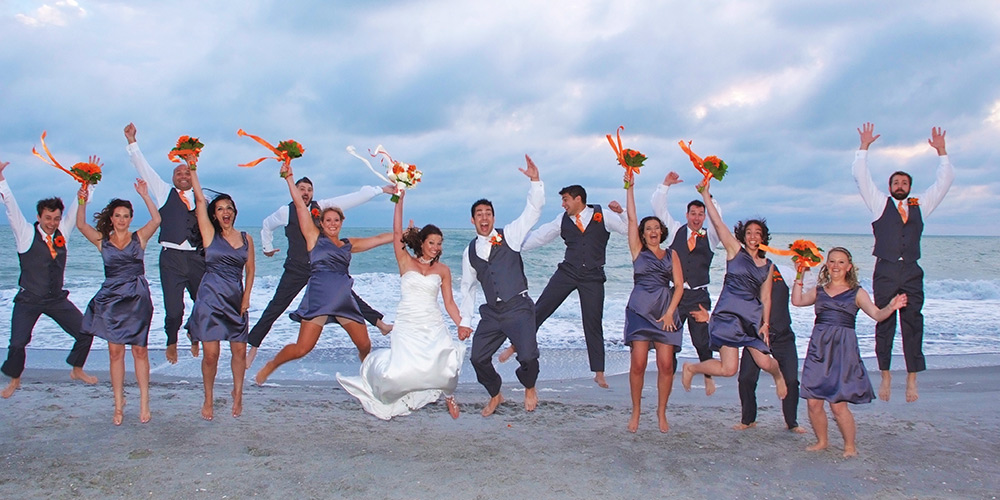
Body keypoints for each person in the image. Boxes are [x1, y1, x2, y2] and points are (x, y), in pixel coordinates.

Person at [254, 164, 392, 385]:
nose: (332, 223)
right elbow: (298, 207)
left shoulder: (349, 243)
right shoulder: (313, 238)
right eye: (328, 220)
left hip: (343, 301)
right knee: (301, 348)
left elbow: (378, 237)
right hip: (317, 297)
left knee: (365, 345)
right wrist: (289, 179)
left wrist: (404, 232)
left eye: (336, 220)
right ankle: (271, 364)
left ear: (341, 222)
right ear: (321, 223)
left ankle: (367, 377)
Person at [337, 190, 466, 420]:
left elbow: (449, 303)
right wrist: (400, 199)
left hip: (432, 321)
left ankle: (449, 396)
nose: (436, 247)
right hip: (408, 321)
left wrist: (461, 323)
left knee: (446, 369)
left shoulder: (443, 270)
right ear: (422, 243)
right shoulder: (406, 261)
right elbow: (397, 233)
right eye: (432, 243)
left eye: (439, 243)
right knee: (399, 373)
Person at [853, 123, 954, 403]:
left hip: (911, 271)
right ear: (889, 187)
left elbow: (944, 183)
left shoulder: (921, 205)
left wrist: (942, 152)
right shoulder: (878, 204)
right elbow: (861, 178)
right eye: (896, 183)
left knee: (912, 323)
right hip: (885, 270)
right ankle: (885, 374)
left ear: (909, 187)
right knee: (884, 321)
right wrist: (864, 147)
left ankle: (912, 378)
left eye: (904, 183)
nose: (900, 186)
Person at [501, 185, 627, 388]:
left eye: (566, 199)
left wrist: (622, 213)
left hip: (593, 276)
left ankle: (599, 372)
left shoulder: (602, 215)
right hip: (568, 271)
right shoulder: (562, 220)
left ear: (578, 199)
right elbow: (539, 237)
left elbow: (629, 230)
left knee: (593, 322)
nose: (563, 204)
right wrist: (513, 245)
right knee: (540, 309)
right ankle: (516, 344)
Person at [791, 247, 907, 457]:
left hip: (843, 349)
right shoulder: (819, 290)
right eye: (832, 261)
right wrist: (799, 274)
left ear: (849, 267)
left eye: (841, 262)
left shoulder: (857, 292)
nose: (836, 265)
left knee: (837, 404)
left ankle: (849, 446)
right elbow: (797, 301)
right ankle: (822, 441)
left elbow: (878, 315)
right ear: (827, 265)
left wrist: (891, 307)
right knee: (813, 402)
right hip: (819, 347)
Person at [680, 182, 787, 401]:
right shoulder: (734, 251)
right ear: (743, 235)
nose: (753, 236)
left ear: (763, 236)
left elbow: (765, 297)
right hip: (728, 316)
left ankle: (778, 377)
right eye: (749, 232)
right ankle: (691, 368)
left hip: (751, 318)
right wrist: (705, 195)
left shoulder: (768, 265)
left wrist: (765, 323)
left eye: (757, 233)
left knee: (765, 362)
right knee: (729, 369)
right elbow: (718, 224)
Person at [0, 160, 97, 398]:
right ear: (39, 216)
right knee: (17, 343)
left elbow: (77, 207)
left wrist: (89, 182)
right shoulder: (25, 233)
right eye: (48, 218)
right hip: (29, 299)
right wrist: (1, 180)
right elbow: (11, 208)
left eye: (56, 218)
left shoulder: (62, 231)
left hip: (56, 299)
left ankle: (76, 369)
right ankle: (15, 379)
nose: (52, 223)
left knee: (86, 330)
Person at [458, 155, 544, 417]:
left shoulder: (511, 235)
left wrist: (535, 181)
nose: (484, 218)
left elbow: (533, 211)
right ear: (472, 220)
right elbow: (468, 288)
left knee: (528, 357)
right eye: (479, 215)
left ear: (493, 217)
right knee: (477, 358)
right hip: (492, 313)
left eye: (488, 213)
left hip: (518, 307)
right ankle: (496, 393)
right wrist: (465, 320)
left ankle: (529, 385)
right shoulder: (469, 251)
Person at [76, 179, 161, 425]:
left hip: (137, 298)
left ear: (130, 218)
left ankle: (144, 401)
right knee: (115, 353)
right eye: (118, 215)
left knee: (139, 350)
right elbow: (80, 224)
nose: (122, 219)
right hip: (111, 299)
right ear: (111, 218)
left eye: (126, 215)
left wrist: (145, 195)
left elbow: (156, 220)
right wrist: (82, 198)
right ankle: (118, 403)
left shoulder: (139, 238)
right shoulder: (102, 241)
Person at [124, 123, 204, 364]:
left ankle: (194, 331)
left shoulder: (203, 196)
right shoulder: (163, 192)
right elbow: (144, 168)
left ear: (193, 174)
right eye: (178, 173)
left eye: (187, 173)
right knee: (174, 310)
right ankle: (171, 340)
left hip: (198, 258)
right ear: (172, 178)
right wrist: (131, 141)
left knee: (204, 303)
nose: (182, 176)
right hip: (171, 258)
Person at [185, 157, 255, 420]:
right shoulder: (209, 236)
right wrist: (192, 167)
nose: (225, 212)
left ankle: (238, 393)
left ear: (234, 212)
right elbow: (200, 201)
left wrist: (247, 297)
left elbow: (250, 271)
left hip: (236, 299)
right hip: (210, 299)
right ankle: (208, 397)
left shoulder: (246, 238)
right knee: (211, 355)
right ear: (215, 215)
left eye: (229, 208)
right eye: (221, 209)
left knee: (239, 350)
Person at [653, 172, 724, 395]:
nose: (696, 218)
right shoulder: (675, 231)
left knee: (702, 341)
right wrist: (665, 185)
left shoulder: (711, 236)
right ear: (687, 214)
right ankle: (669, 379)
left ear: (704, 216)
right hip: (676, 295)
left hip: (699, 296)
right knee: (670, 341)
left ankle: (708, 377)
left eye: (700, 214)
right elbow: (659, 210)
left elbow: (718, 217)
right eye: (693, 214)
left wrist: (707, 193)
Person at [622, 175, 683, 433]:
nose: (653, 231)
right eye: (648, 228)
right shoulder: (638, 251)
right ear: (643, 234)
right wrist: (630, 187)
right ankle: (636, 411)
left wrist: (670, 313)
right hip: (639, 311)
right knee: (637, 364)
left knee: (666, 365)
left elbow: (679, 286)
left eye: (656, 227)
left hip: (664, 312)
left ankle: (661, 412)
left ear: (662, 231)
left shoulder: (672, 254)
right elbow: (633, 219)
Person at [734, 264, 806, 433]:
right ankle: (748, 420)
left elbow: (801, 293)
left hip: (783, 335)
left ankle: (792, 422)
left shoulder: (783, 271)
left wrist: (801, 271)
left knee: (792, 380)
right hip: (756, 335)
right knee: (746, 379)